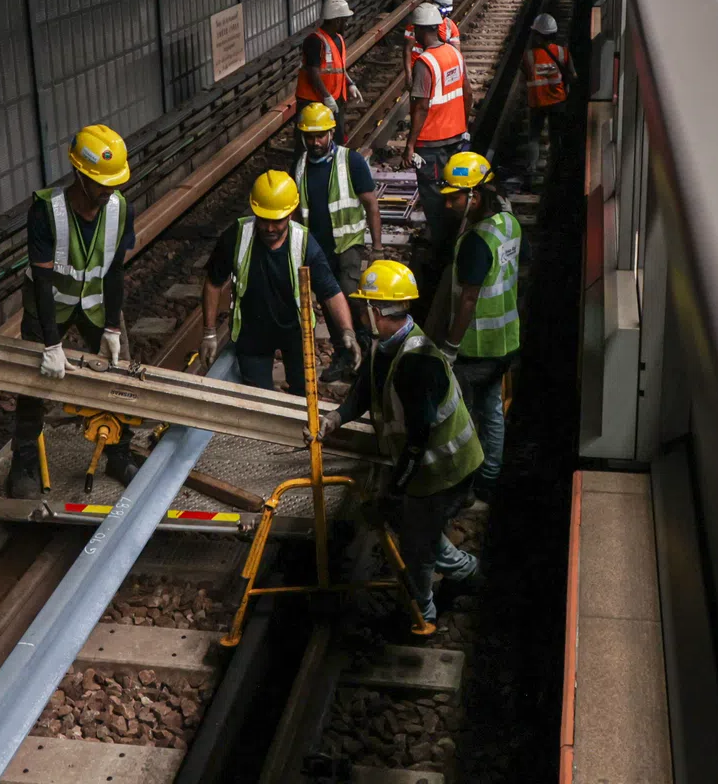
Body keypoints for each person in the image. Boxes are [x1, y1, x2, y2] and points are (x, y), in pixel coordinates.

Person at [313, 260, 483, 623]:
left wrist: (395, 490)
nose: (360, 315)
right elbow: (365, 391)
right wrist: (337, 417)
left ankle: (423, 615)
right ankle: (467, 571)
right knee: (413, 524)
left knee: (416, 544)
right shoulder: (388, 345)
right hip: (428, 465)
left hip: (445, 469)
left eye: (364, 309)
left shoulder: (417, 365)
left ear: (376, 313)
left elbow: (418, 441)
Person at [9, 124, 136, 499]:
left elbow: (114, 271)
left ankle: (118, 451)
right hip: (49, 306)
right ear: (79, 175)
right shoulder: (45, 212)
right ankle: (25, 460)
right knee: (33, 382)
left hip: (96, 304)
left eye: (115, 182)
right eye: (102, 182)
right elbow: (44, 282)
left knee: (120, 373)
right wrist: (50, 345)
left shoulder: (118, 209)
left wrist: (113, 326)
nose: (110, 189)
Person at [200, 170, 361, 395]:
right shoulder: (236, 237)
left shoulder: (304, 244)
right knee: (260, 401)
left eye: (277, 221)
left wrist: (347, 331)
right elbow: (213, 283)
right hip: (253, 334)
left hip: (296, 332)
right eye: (264, 219)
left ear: (291, 214)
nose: (269, 228)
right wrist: (209, 333)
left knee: (302, 395)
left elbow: (330, 291)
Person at [439, 153, 523, 505]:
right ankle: (489, 478)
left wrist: (449, 347)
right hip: (506, 341)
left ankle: (463, 489)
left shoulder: (476, 242)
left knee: (463, 419)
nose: (447, 203)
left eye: (454, 196)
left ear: (474, 195)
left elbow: (469, 300)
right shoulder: (508, 224)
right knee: (491, 411)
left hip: (476, 350)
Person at [292, 103, 383, 381]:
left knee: (349, 293)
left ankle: (366, 346)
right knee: (329, 301)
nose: (315, 142)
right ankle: (343, 354)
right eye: (309, 136)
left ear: (331, 133)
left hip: (348, 243)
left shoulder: (350, 161)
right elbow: (296, 209)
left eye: (320, 135)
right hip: (317, 249)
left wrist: (377, 247)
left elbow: (370, 204)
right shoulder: (299, 166)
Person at [401, 2, 473, 251]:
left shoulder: (425, 62)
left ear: (422, 30)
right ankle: (458, 234)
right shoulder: (455, 54)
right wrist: (463, 123)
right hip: (456, 136)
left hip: (431, 142)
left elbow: (420, 107)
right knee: (456, 187)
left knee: (433, 194)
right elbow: (468, 94)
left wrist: (410, 145)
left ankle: (442, 244)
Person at [295, 0, 364, 145]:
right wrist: (326, 96)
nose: (346, 24)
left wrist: (350, 83)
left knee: (335, 141)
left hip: (333, 100)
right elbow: (313, 72)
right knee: (309, 145)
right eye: (344, 20)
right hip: (313, 103)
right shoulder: (315, 41)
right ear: (337, 21)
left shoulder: (338, 39)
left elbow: (338, 69)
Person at [522, 13, 576, 182]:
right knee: (556, 136)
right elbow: (573, 75)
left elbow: (525, 77)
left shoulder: (528, 56)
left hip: (537, 102)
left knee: (534, 137)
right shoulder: (562, 52)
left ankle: (531, 171)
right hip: (558, 101)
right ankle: (556, 172)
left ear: (538, 35)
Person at [401, 0, 460, 80]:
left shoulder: (450, 26)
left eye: (446, 11)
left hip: (438, 69)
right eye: (441, 11)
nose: (443, 14)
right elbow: (407, 49)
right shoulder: (417, 23)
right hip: (418, 69)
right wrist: (409, 74)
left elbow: (457, 54)